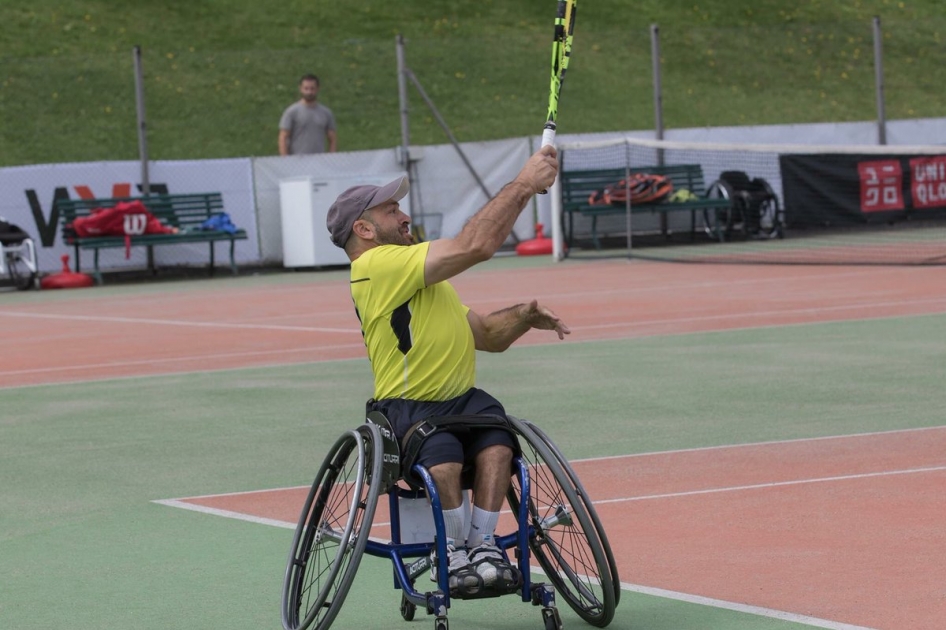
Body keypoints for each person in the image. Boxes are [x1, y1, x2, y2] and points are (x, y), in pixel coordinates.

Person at [325, 145, 568, 597]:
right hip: (408, 407)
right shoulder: (376, 265)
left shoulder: (422, 279)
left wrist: (523, 315)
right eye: (391, 209)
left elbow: (488, 335)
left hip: (463, 401)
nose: (404, 215)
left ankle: (482, 548)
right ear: (363, 229)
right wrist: (523, 185)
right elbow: (476, 244)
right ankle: (451, 551)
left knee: (498, 447)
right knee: (445, 455)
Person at [278, 74, 337, 155]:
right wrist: (285, 161)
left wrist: (331, 158)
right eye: (306, 88)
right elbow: (283, 137)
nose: (309, 92)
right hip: (297, 160)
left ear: (318, 89)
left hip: (319, 161)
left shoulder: (326, 113)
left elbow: (332, 138)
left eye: (312, 89)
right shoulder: (292, 112)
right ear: (300, 89)